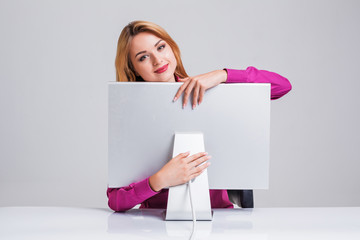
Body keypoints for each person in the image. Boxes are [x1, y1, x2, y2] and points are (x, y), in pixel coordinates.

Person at [107, 20, 292, 212]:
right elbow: (116, 201)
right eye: (143, 57)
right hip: (155, 222)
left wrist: (223, 75)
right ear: (132, 69)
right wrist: (159, 180)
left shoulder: (209, 93)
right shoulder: (129, 115)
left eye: (161, 47)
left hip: (219, 219)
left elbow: (283, 86)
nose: (157, 60)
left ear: (172, 49)